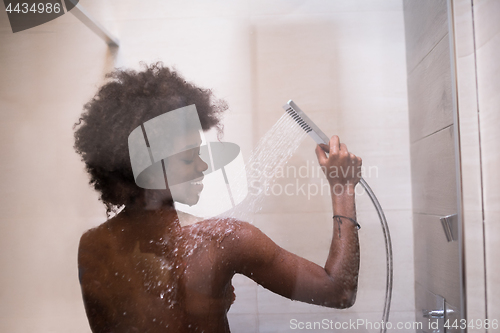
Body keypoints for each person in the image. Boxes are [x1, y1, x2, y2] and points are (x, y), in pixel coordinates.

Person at [74, 62, 361, 333]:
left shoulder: (93, 245)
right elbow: (338, 290)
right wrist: (343, 187)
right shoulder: (222, 240)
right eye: (189, 157)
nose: (202, 166)